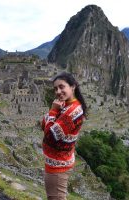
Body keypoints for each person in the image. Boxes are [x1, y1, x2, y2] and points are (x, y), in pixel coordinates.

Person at [41, 72, 87, 200]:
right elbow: (43, 123)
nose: (58, 91)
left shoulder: (72, 111)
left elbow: (49, 135)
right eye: (55, 88)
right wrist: (53, 114)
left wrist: (53, 111)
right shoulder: (65, 106)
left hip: (58, 166)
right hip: (56, 162)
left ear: (73, 86)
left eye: (62, 87)